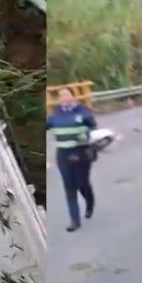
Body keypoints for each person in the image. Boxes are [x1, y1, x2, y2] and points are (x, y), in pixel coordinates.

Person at [46, 88, 97, 232]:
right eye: (61, 96)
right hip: (63, 156)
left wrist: (85, 134)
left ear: (73, 97)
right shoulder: (55, 114)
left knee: (82, 184)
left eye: (67, 95)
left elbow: (92, 125)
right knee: (69, 187)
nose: (64, 98)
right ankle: (75, 220)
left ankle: (89, 203)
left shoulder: (82, 110)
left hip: (80, 153)